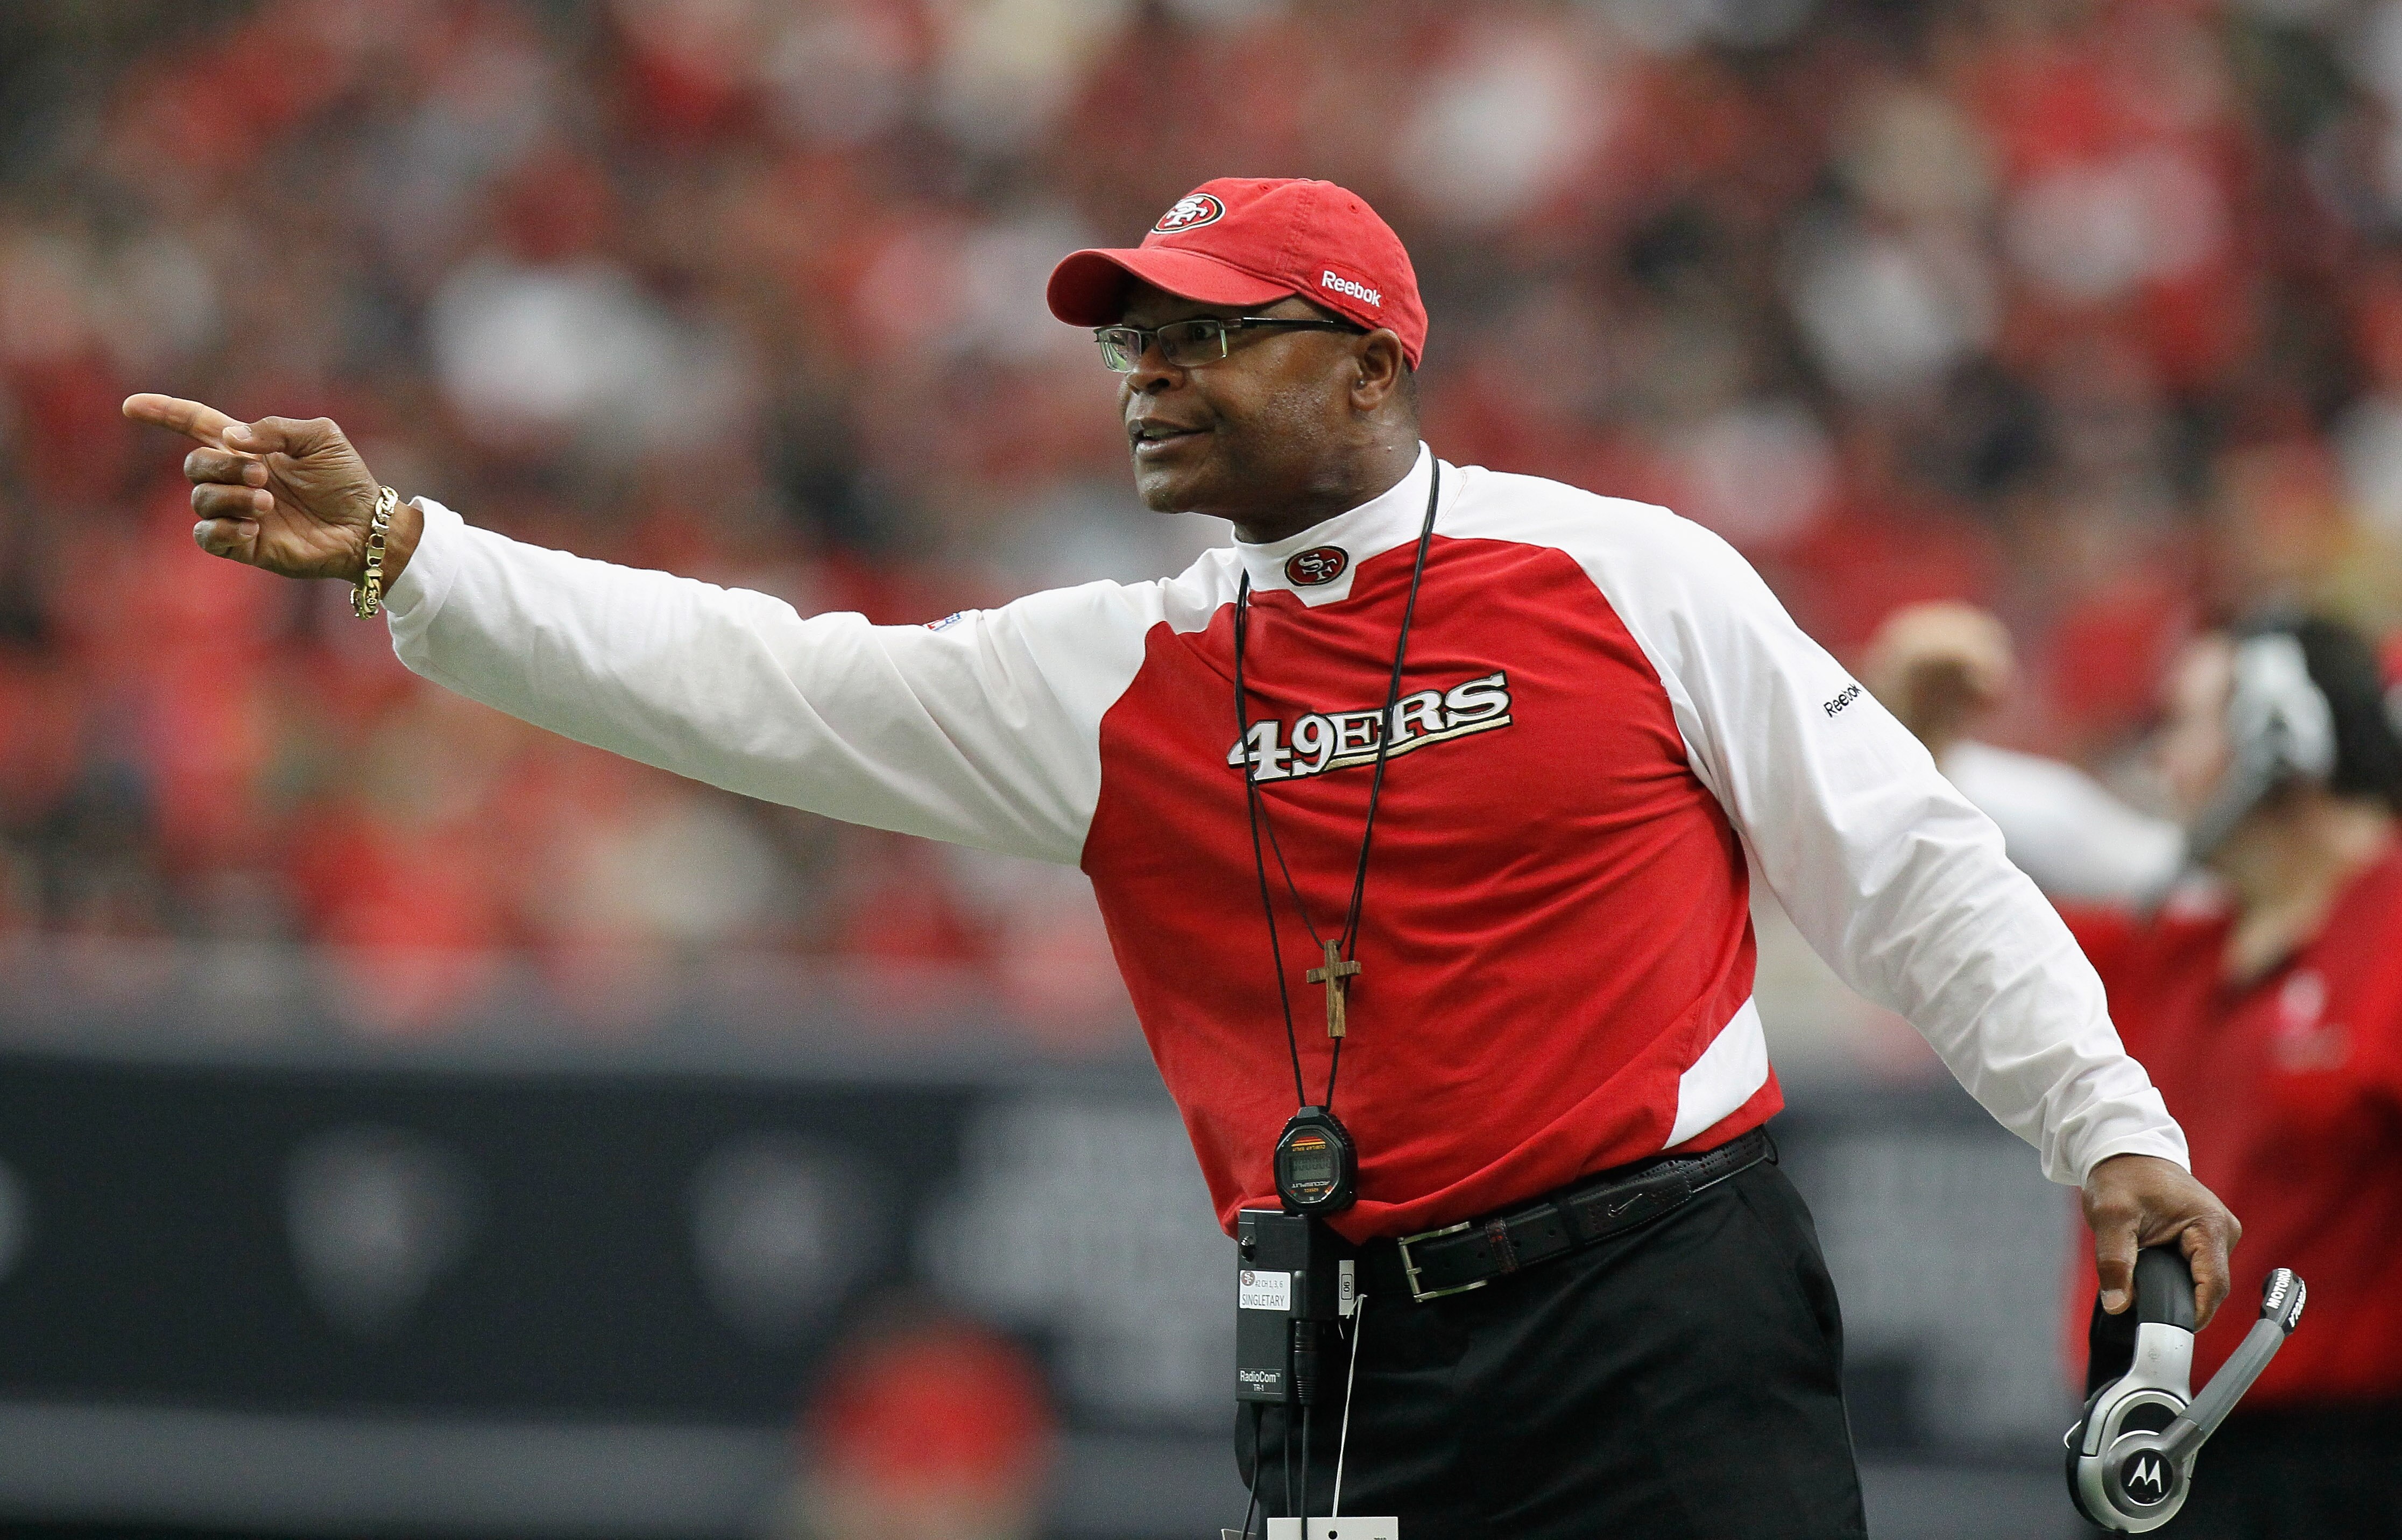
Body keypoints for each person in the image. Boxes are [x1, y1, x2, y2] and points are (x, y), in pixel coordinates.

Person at [128, 176, 2236, 1540]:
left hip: (1661, 1315)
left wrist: (2106, 1123)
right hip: (1343, 1353)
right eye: (1134, 336)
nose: (1148, 371)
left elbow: (1911, 860)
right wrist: (417, 554)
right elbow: (751, 684)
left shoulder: (1627, 575)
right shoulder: (1117, 672)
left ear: (1374, 359)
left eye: (1209, 331)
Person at [1869, 602, 2402, 1537]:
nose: (2161, 763)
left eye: (2184, 726)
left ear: (2278, 736)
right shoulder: (2185, 948)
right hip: (2155, 1455)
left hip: (2345, 1469)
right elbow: (1950, 918)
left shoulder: (2384, 942)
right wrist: (1892, 733)